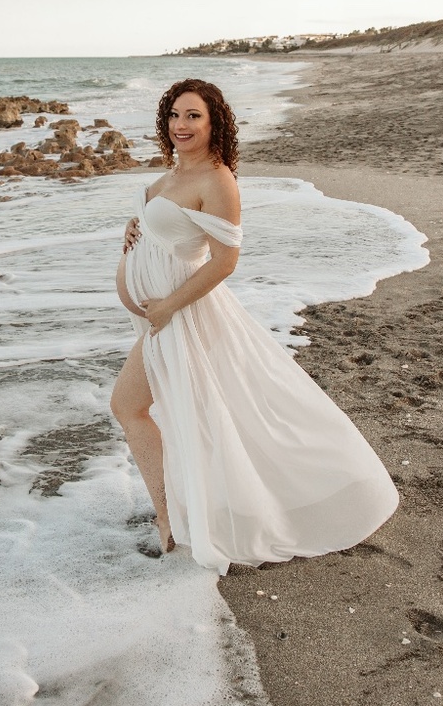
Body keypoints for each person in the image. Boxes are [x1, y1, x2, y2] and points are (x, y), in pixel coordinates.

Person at [111, 78, 399, 574]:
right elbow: (167, 230)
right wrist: (134, 228)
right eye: (175, 115)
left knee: (137, 406)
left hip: (181, 316)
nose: (181, 125)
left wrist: (166, 308)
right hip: (160, 319)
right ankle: (180, 510)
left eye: (193, 116)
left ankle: (172, 517)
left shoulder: (217, 180)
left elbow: (224, 261)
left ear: (214, 122)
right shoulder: (174, 173)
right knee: (196, 412)